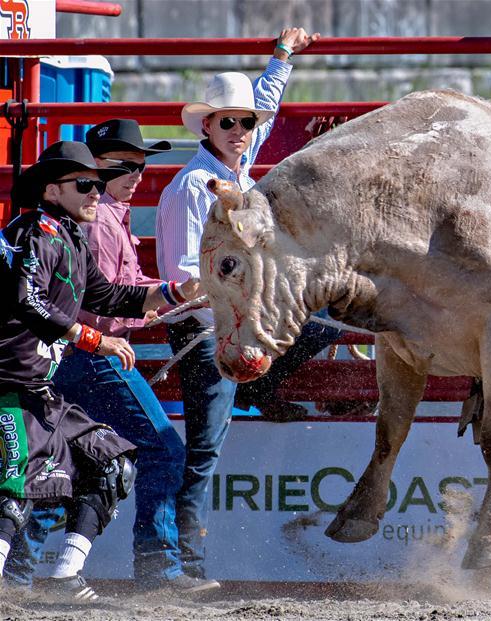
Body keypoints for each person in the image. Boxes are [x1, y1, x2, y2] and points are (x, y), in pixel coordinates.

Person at [155, 27, 338, 581]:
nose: (240, 129)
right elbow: (183, 275)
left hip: (235, 324)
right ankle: (184, 564)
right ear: (208, 126)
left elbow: (264, 101)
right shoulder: (193, 189)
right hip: (206, 332)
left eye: (244, 123)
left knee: (323, 321)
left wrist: (282, 55)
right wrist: (238, 319)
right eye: (227, 121)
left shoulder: (229, 167)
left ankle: (257, 384)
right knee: (204, 450)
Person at [4, 120, 218, 593]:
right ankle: (156, 567)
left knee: (73, 466)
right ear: (59, 187)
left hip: (53, 366)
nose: (133, 175)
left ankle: (28, 577)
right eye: (92, 180)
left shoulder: (79, 228)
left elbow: (109, 294)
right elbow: (34, 299)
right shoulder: (63, 228)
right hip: (58, 365)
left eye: (140, 166)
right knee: (156, 451)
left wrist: (175, 291)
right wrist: (96, 339)